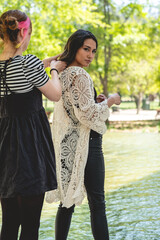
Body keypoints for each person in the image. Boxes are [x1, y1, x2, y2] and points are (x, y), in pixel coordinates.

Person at [45, 29, 121, 240]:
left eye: (93, 51)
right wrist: (111, 101)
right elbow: (87, 115)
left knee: (67, 203)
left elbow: (77, 110)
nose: (90, 55)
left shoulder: (62, 73)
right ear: (75, 47)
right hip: (90, 143)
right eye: (86, 49)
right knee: (98, 203)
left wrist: (96, 102)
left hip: (71, 143)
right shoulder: (80, 74)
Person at [0, 10, 66, 240]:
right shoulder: (29, 63)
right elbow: (55, 95)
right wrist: (54, 70)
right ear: (25, 32)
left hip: (4, 151)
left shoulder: (21, 64)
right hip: (29, 149)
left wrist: (43, 64)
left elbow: (18, 75)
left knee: (9, 222)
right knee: (30, 226)